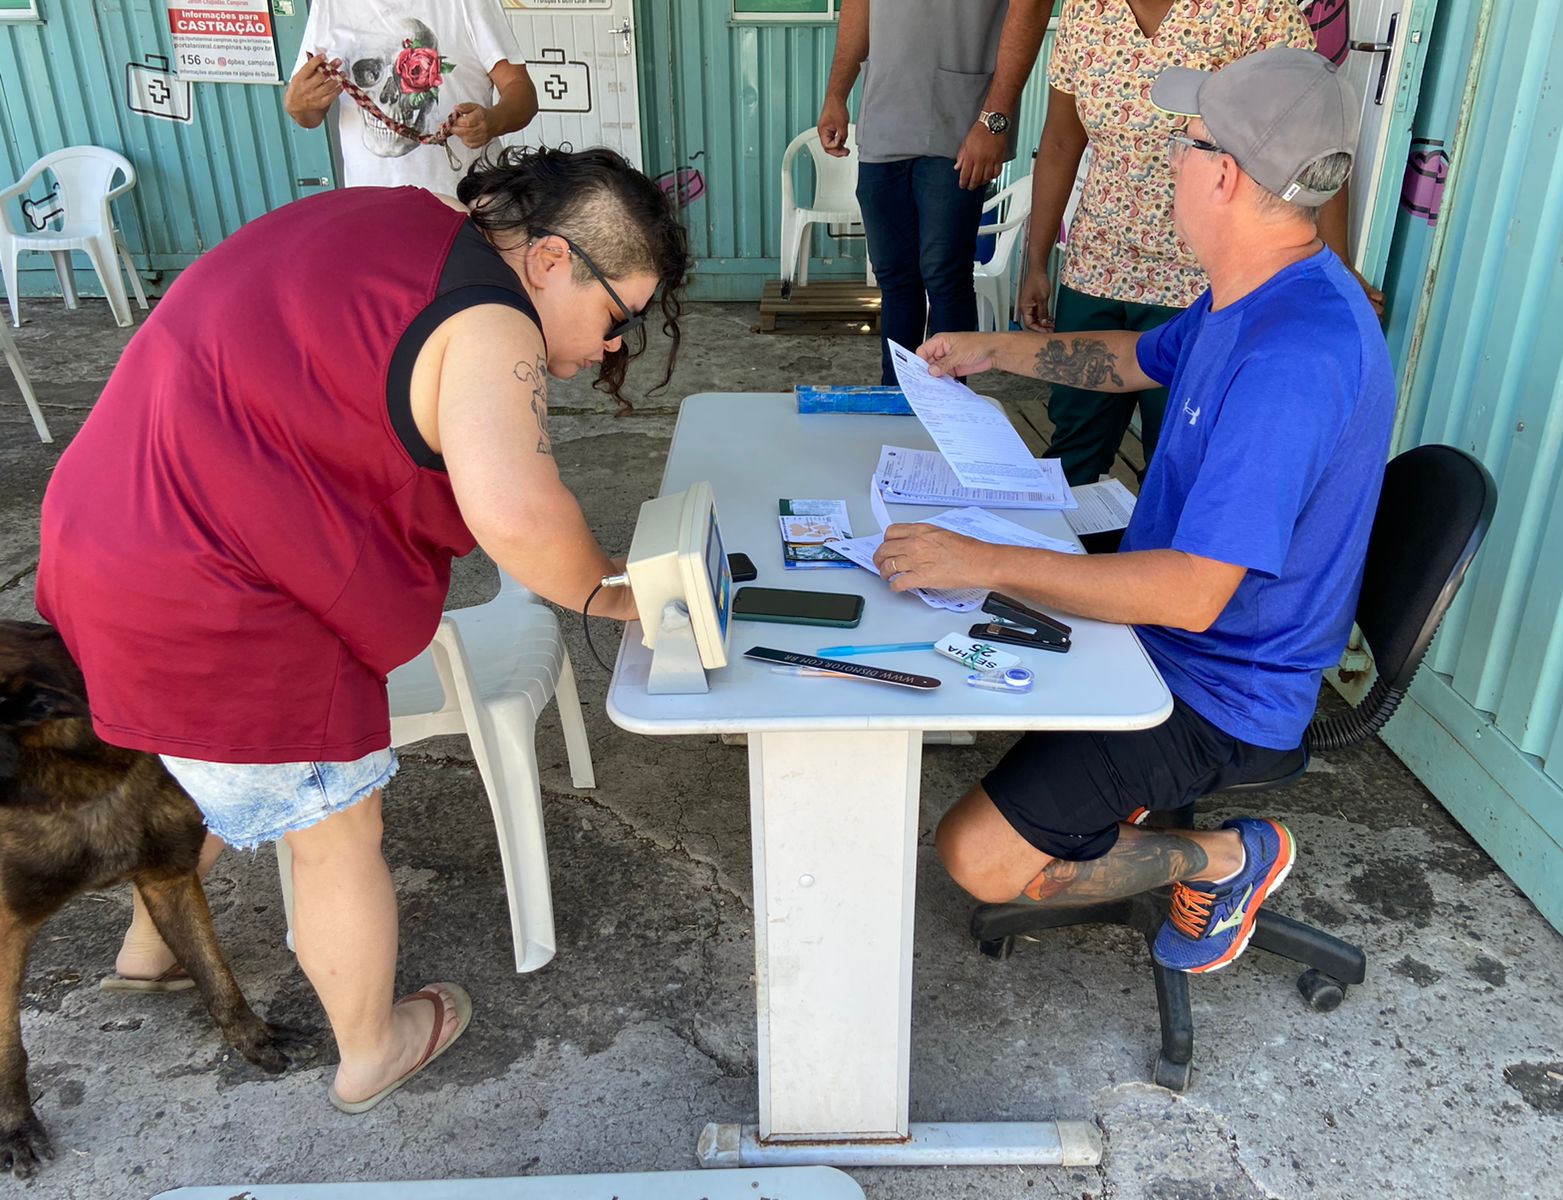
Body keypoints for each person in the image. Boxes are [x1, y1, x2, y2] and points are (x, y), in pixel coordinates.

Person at [35, 145, 689, 1110]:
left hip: (101, 538)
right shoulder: (492, 318)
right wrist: (616, 594)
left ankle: (148, 950)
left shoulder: (394, 219)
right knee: (338, 833)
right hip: (223, 591)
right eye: (616, 316)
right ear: (551, 260)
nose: (611, 348)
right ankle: (372, 1049)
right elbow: (515, 515)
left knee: (195, 759)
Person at [874, 49, 1394, 973]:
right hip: (1180, 633)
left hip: (1218, 686)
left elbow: (1194, 594)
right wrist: (991, 351)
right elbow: (1134, 359)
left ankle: (1231, 857)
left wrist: (981, 561)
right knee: (950, 612)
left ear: (1224, 175)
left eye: (1185, 145)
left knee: (978, 856)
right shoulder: (1258, 292)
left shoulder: (1294, 357)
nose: (1173, 164)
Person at [1014, 0, 1383, 486]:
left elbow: (1310, 144)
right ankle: (1064, 558)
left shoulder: (1260, 13)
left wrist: (1335, 266)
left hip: (1204, 277)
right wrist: (1037, 260)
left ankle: (1149, 556)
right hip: (1098, 259)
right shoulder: (1086, 11)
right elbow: (1062, 139)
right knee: (1074, 443)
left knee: (1178, 454)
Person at [816, 0, 1054, 385]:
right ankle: (897, 398)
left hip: (961, 122)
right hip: (883, 116)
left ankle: (948, 416)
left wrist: (994, 121)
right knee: (895, 278)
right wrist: (836, 94)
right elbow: (858, 7)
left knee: (944, 275)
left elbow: (1031, 10)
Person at [285, 0, 537, 193]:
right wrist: (297, 104)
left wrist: (494, 121)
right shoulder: (331, 6)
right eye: (368, 73)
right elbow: (309, 115)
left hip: (470, 207)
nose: (388, 96)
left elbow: (521, 91)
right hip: (374, 209)